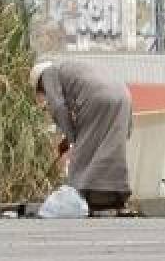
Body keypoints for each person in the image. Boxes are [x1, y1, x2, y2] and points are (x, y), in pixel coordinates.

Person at [30, 60, 132, 213]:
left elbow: (58, 107)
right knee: (112, 148)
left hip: (98, 98)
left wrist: (73, 139)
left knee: (82, 152)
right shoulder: (72, 70)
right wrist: (68, 138)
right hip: (124, 96)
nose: (45, 94)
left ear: (39, 84)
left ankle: (79, 196)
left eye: (42, 91)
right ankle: (116, 198)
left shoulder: (48, 74)